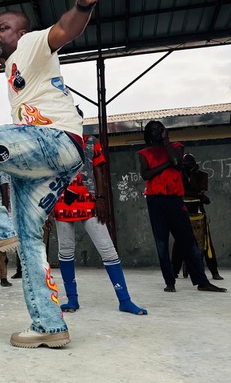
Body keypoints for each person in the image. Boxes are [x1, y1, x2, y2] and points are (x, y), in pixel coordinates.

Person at [0, 0, 104, 348]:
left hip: (56, 139)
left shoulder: (35, 43)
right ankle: (49, 326)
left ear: (21, 33)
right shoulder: (12, 60)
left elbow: (65, 29)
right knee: (30, 237)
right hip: (50, 160)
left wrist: (83, 3)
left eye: (1, 28)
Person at [54, 110, 147, 315]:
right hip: (61, 203)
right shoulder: (55, 142)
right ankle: (72, 300)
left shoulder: (90, 141)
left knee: (108, 250)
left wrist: (102, 199)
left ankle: (125, 300)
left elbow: (99, 170)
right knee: (66, 252)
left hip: (89, 202)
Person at [138, 121, 226, 293]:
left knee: (188, 240)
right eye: (154, 130)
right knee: (161, 243)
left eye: (160, 129)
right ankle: (169, 282)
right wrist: (165, 165)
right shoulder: (144, 153)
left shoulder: (176, 146)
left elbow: (177, 162)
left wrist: (167, 141)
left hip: (175, 200)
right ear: (148, 134)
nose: (158, 132)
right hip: (155, 201)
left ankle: (201, 281)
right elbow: (145, 174)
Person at [171, 153, 223, 281]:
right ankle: (174, 271)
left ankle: (214, 271)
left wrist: (192, 175)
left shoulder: (201, 175)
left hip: (198, 212)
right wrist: (198, 195)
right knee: (179, 243)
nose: (188, 167)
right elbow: (183, 192)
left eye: (190, 164)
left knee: (206, 243)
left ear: (195, 165)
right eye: (185, 165)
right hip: (183, 212)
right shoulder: (178, 176)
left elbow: (197, 189)